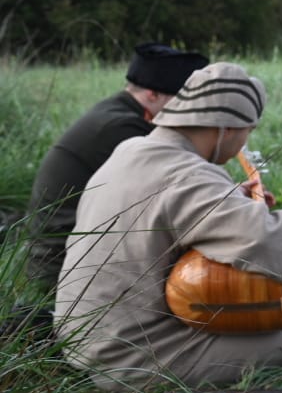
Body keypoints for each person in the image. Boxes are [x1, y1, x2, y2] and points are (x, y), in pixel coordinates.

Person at [54, 63, 282, 389]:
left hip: (79, 338)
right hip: (130, 358)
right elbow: (280, 248)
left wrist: (230, 198)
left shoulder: (130, 150)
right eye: (247, 131)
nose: (243, 143)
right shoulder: (188, 175)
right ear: (226, 128)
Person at [24, 43, 210, 291]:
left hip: (66, 255)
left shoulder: (119, 112)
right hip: (62, 270)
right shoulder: (123, 129)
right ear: (152, 94)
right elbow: (170, 200)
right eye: (182, 100)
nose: (189, 111)